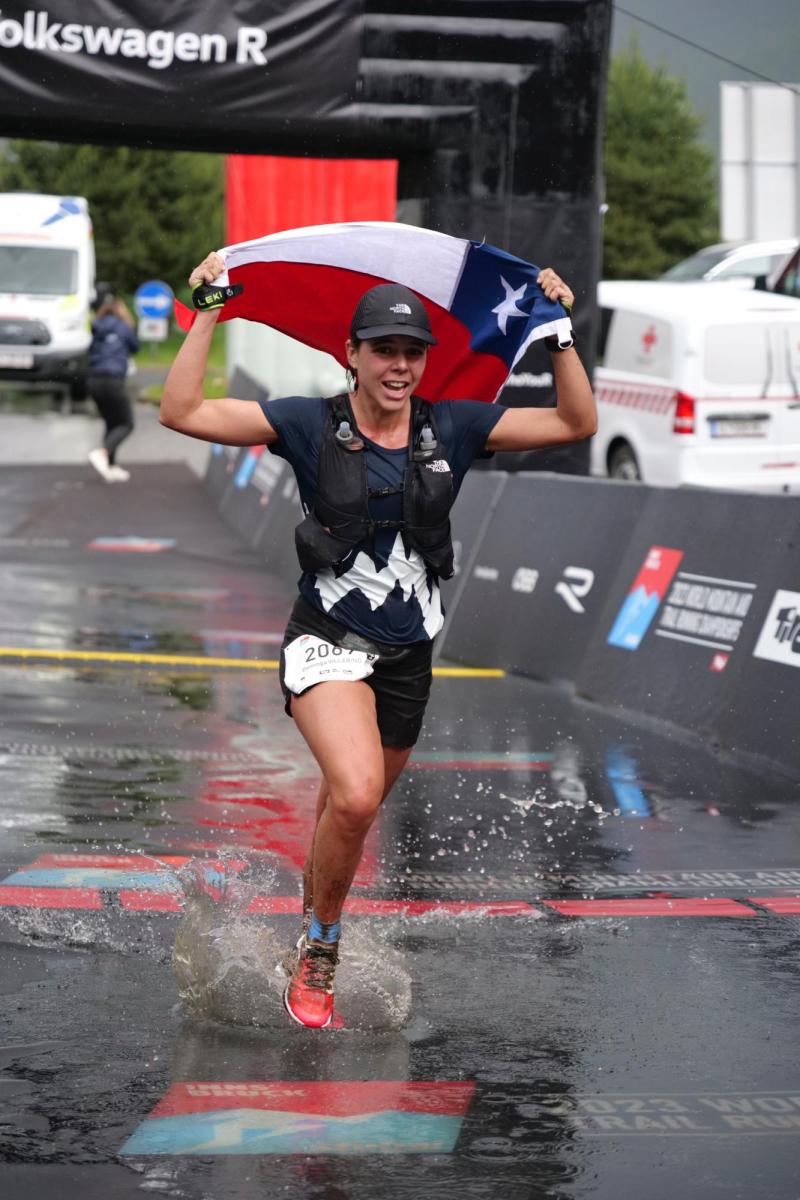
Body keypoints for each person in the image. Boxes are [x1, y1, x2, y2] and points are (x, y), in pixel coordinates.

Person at [161, 252, 596, 1029]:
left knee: (347, 808)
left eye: (412, 352)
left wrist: (558, 333)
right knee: (358, 795)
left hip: (408, 657)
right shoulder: (307, 422)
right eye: (383, 350)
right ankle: (322, 946)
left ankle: (307, 923)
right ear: (352, 355)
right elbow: (182, 411)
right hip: (327, 637)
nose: (399, 365)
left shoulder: (454, 426)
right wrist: (210, 311)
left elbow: (575, 423)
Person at [87, 284, 139, 482]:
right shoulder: (124, 326)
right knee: (126, 423)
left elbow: (91, 350)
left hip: (93, 380)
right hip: (112, 379)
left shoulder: (96, 326)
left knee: (111, 422)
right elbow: (135, 347)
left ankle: (111, 466)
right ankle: (102, 453)